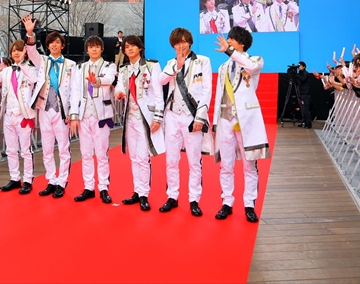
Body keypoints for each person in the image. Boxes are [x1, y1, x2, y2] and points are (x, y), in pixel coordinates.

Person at [212, 26, 270, 223]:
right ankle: (227, 202)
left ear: (242, 43)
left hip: (246, 120)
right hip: (225, 118)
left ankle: (249, 204)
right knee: (226, 164)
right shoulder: (223, 67)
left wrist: (230, 52)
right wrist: (214, 122)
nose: (228, 41)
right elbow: (219, 94)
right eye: (228, 39)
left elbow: (250, 67)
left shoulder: (255, 60)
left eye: (231, 39)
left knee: (249, 164)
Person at [158, 27, 212, 217]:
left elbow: (207, 90)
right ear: (173, 45)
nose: (181, 45)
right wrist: (177, 66)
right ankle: (172, 196)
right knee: (171, 159)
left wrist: (200, 117)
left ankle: (194, 199)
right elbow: (161, 80)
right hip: (172, 115)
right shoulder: (171, 63)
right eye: (177, 42)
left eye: (184, 41)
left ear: (190, 41)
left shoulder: (203, 61)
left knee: (194, 160)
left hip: (192, 115)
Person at [22, 14, 76, 199]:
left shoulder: (71, 65)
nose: (54, 45)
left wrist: (72, 112)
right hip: (44, 108)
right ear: (48, 46)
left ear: (62, 45)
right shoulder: (43, 61)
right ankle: (51, 180)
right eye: (51, 43)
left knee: (63, 148)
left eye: (57, 42)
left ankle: (62, 181)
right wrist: (30, 33)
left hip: (62, 111)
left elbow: (75, 91)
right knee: (46, 148)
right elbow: (31, 53)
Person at [114, 35, 165, 212]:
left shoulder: (151, 66)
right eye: (126, 46)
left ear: (140, 48)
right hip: (130, 118)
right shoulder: (124, 69)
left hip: (146, 117)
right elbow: (120, 87)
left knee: (143, 157)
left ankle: (144, 194)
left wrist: (158, 117)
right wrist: (118, 93)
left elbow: (158, 93)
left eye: (133, 46)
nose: (129, 49)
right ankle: (136, 191)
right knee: (134, 157)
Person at [0, 40, 38, 195]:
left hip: (23, 115)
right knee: (11, 149)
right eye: (13, 50)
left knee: (26, 150)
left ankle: (28, 180)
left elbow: (34, 80)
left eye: (19, 50)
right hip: (9, 114)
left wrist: (23, 63)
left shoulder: (30, 68)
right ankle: (14, 178)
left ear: (25, 52)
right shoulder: (7, 71)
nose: (16, 53)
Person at [69, 36, 117, 204]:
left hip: (101, 115)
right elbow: (75, 91)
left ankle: (103, 187)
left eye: (97, 46)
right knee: (86, 153)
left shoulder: (109, 66)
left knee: (102, 153)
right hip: (84, 115)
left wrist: (96, 81)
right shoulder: (80, 68)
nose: (94, 49)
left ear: (102, 49)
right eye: (91, 47)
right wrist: (74, 115)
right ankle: (88, 187)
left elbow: (109, 80)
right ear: (87, 50)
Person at [297, 61, 312, 129]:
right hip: (301, 93)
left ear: (304, 67)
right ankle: (304, 122)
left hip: (305, 93)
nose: (299, 67)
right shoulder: (300, 74)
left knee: (306, 109)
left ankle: (308, 123)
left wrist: (296, 75)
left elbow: (303, 79)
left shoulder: (306, 73)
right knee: (302, 109)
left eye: (300, 66)